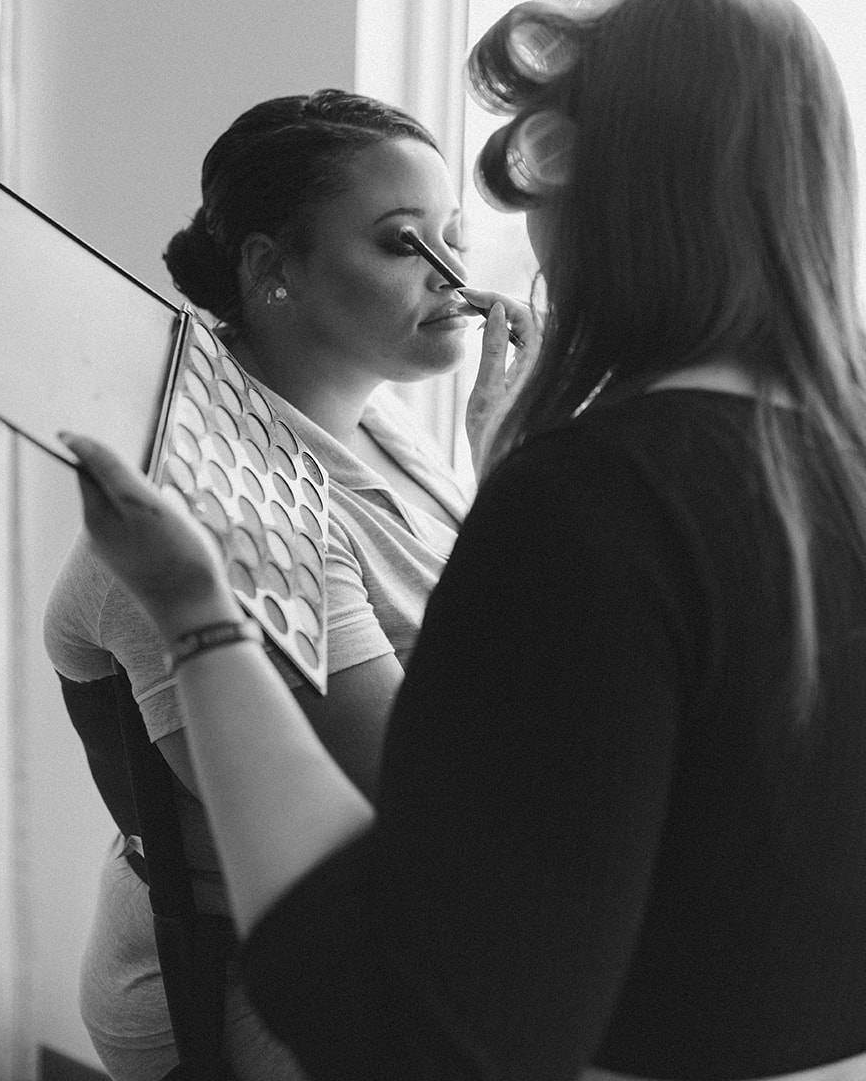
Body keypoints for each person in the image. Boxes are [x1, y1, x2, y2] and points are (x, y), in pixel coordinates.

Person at [60, 0, 866, 1080]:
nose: (466, 275)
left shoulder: (582, 491)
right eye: (399, 243)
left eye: (476, 226)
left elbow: (427, 1008)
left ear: (603, 192)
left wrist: (204, 622)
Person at [44, 89, 533, 1081]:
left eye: (453, 237)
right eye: (403, 244)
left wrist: (505, 467)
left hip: (380, 915)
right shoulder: (230, 502)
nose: (452, 275)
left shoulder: (385, 431)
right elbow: (416, 801)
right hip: (240, 981)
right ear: (272, 270)